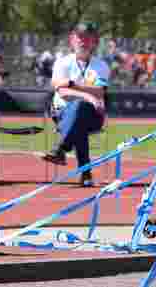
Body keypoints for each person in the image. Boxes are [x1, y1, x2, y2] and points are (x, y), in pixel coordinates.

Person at [41, 22, 110, 187]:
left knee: (81, 111)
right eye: (79, 37)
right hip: (62, 112)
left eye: (87, 38)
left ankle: (61, 147)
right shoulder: (62, 62)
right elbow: (61, 91)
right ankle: (85, 173)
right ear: (72, 40)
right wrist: (87, 95)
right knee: (80, 114)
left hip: (94, 115)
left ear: (95, 42)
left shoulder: (101, 65)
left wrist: (70, 84)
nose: (83, 41)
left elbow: (100, 91)